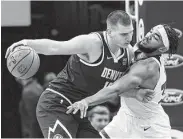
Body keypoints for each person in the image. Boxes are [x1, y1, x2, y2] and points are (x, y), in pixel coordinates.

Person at [5, 10, 154, 138]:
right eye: (123, 34)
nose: (129, 38)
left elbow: (115, 88)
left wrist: (135, 94)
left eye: (131, 33)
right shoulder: (92, 43)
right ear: (110, 32)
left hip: (79, 111)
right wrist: (26, 43)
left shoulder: (127, 54)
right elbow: (55, 48)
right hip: (56, 104)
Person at [67, 24, 182, 138]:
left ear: (162, 49)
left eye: (155, 37)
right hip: (127, 116)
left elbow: (115, 89)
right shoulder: (140, 48)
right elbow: (118, 88)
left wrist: (86, 101)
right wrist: (135, 93)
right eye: (151, 31)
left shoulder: (147, 68)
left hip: (150, 128)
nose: (148, 36)